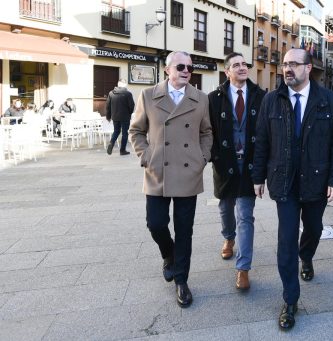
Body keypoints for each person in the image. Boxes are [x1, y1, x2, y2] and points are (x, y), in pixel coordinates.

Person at [252, 48, 333, 330]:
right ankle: (290, 299)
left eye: (294, 64)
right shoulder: (272, 100)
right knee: (285, 241)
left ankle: (306, 256)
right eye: (285, 64)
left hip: (317, 180)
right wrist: (258, 177)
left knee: (314, 228)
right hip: (283, 181)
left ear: (309, 69)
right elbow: (261, 142)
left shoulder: (328, 101)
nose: (287, 69)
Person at [129, 51, 213, 308]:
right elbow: (136, 130)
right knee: (155, 224)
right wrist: (147, 157)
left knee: (184, 231)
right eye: (180, 66)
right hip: (158, 171)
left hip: (188, 172)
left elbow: (206, 132)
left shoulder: (200, 99)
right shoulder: (148, 95)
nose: (186, 71)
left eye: (190, 67)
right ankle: (169, 254)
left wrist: (203, 157)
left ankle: (181, 281)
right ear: (168, 70)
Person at [208, 53, 266, 290]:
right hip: (224, 163)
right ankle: (228, 237)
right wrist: (213, 156)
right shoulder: (213, 99)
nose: (242, 68)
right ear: (227, 72)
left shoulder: (261, 97)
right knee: (225, 208)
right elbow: (207, 130)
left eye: (245, 64)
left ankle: (243, 268)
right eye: (236, 65)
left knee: (246, 215)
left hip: (250, 165)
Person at [106, 79, 135, 156]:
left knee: (116, 131)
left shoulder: (111, 93)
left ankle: (111, 143)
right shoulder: (128, 94)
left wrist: (108, 116)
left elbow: (108, 106)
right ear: (125, 85)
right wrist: (129, 113)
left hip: (115, 116)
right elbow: (132, 106)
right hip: (125, 117)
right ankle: (122, 150)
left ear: (118, 84)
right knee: (125, 133)